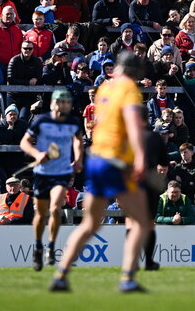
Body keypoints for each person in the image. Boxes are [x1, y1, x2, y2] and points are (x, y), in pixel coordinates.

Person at [51, 52, 152, 293]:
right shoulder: (129, 89)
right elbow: (132, 123)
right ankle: (127, 279)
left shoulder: (105, 88)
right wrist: (140, 156)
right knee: (141, 221)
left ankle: (61, 275)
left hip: (95, 158)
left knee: (90, 223)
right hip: (116, 161)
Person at [21, 88, 84, 271]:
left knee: (56, 208)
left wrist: (78, 159)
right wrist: (37, 153)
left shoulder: (73, 121)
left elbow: (78, 140)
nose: (63, 105)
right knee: (41, 215)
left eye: (66, 102)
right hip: (42, 172)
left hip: (62, 172)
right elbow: (24, 142)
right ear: (52, 104)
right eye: (60, 102)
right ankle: (38, 246)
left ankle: (51, 245)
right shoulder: (42, 121)